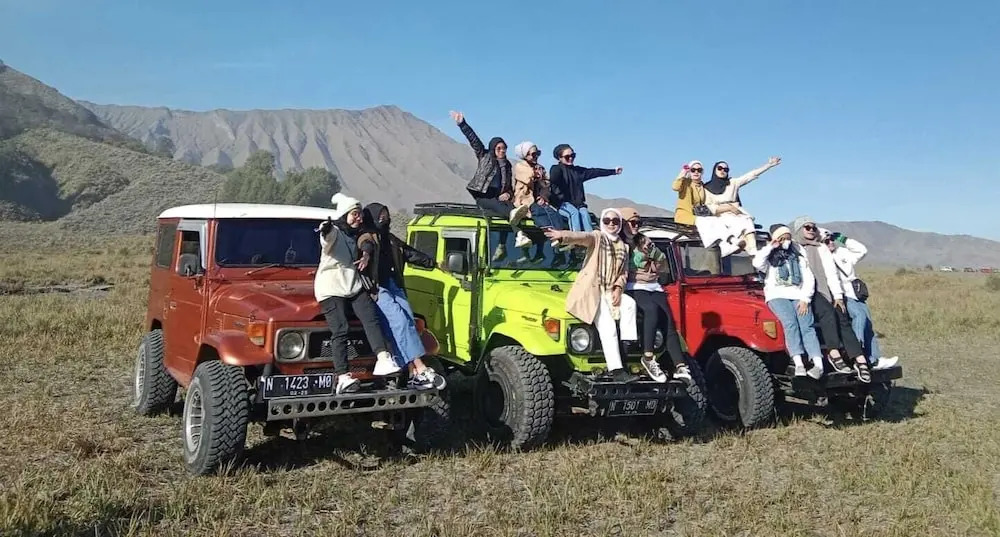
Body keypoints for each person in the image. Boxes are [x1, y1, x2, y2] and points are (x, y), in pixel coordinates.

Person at [357, 203, 449, 390]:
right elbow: (365, 245)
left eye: (385, 215)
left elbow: (409, 253)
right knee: (399, 321)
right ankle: (420, 367)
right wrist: (366, 255)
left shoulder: (390, 239)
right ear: (372, 217)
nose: (384, 219)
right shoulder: (367, 236)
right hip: (378, 288)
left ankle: (413, 373)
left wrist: (434, 263)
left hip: (394, 285)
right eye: (380, 216)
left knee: (408, 321)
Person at [314, 193, 399, 394]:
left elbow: (366, 242)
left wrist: (367, 254)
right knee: (340, 329)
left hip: (353, 285)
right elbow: (327, 239)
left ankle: (383, 358)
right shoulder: (335, 232)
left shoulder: (357, 234)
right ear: (344, 215)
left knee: (370, 318)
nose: (358, 218)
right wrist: (326, 229)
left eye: (360, 214)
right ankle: (343, 375)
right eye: (354, 214)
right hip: (331, 287)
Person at [544, 209, 640, 383]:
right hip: (594, 290)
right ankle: (616, 370)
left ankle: (627, 346)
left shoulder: (623, 247)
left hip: (610, 290)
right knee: (607, 326)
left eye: (615, 221)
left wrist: (618, 288)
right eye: (607, 220)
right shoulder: (597, 238)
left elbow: (623, 272)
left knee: (629, 304)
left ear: (620, 224)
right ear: (602, 222)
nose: (611, 224)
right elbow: (582, 237)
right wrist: (562, 235)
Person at [791, 216, 872, 383]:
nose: (811, 230)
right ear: (799, 229)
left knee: (842, 316)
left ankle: (859, 359)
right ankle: (833, 352)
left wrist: (838, 296)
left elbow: (831, 273)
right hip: (807, 291)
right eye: (807, 227)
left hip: (826, 289)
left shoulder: (821, 247)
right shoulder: (795, 247)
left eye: (813, 227)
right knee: (827, 313)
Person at [620, 207, 692, 382]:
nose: (636, 226)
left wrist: (654, 265)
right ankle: (648, 356)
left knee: (668, 320)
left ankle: (680, 365)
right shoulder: (618, 242)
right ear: (623, 223)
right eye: (632, 223)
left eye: (638, 223)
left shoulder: (644, 240)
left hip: (653, 284)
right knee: (651, 309)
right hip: (632, 285)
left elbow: (661, 259)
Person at [450, 110, 530, 260]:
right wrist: (462, 124)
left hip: (499, 198)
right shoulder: (485, 156)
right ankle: (519, 234)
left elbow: (509, 187)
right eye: (499, 148)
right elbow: (474, 140)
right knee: (508, 211)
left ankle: (508, 246)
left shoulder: (507, 165)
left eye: (504, 148)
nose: (502, 151)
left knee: (511, 210)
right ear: (493, 149)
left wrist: (508, 194)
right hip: (483, 197)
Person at [752, 224, 824, 379]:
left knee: (807, 325)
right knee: (790, 323)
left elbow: (808, 278)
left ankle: (818, 363)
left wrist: (805, 299)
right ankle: (798, 363)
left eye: (788, 237)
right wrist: (771, 246)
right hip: (777, 295)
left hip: (798, 294)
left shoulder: (798, 256)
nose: (786, 241)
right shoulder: (770, 258)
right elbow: (757, 263)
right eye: (782, 238)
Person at [822, 229, 899, 371]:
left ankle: (874, 359)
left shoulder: (842, 252)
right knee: (859, 316)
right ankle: (856, 352)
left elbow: (862, 250)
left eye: (832, 239)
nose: (831, 242)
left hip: (855, 293)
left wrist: (843, 239)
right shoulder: (822, 257)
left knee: (868, 324)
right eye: (826, 241)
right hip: (841, 295)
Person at [701, 157, 782, 255]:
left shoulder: (732, 183)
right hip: (721, 214)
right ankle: (743, 248)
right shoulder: (706, 188)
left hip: (737, 212)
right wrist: (728, 208)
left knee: (747, 222)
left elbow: (751, 175)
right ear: (714, 170)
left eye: (726, 169)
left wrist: (769, 165)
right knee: (737, 226)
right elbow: (710, 207)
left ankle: (753, 251)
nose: (722, 171)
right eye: (720, 168)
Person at [512, 141, 568, 262]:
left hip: (539, 199)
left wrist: (543, 196)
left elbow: (546, 184)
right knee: (538, 212)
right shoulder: (520, 166)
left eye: (538, 153)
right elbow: (528, 179)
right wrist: (538, 174)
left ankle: (559, 237)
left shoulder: (540, 168)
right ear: (525, 155)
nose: (536, 156)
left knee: (553, 213)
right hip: (525, 199)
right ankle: (549, 233)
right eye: (533, 154)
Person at [548, 143, 623, 232]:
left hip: (579, 204)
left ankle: (590, 237)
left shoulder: (578, 171)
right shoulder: (556, 169)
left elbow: (595, 172)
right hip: (563, 204)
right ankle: (576, 237)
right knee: (574, 213)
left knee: (585, 214)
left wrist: (613, 171)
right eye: (567, 157)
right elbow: (553, 180)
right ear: (559, 158)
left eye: (573, 155)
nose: (571, 158)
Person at [671, 160, 709, 226]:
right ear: (689, 171)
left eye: (699, 170)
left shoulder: (703, 186)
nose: (696, 172)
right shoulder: (685, 182)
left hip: (698, 216)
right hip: (684, 217)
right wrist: (683, 172)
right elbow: (675, 187)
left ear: (702, 172)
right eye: (693, 170)